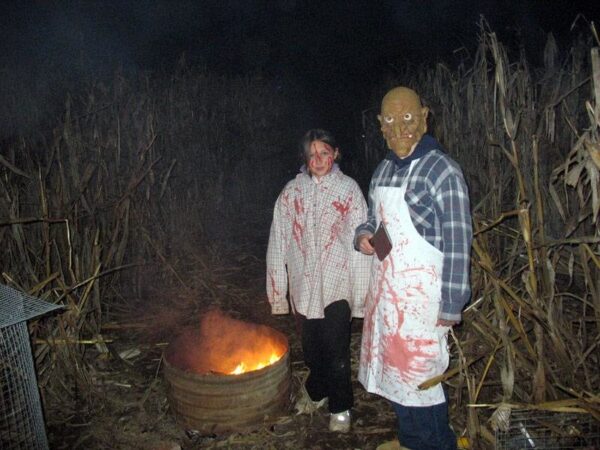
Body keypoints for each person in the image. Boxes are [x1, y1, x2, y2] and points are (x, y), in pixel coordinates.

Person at [355, 87, 473, 450]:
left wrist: (452, 303)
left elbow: (458, 241)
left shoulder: (442, 171)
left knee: (421, 383)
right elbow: (373, 218)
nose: (400, 127)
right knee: (396, 380)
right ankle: (409, 441)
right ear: (380, 125)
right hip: (388, 300)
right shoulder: (383, 170)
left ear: (424, 116)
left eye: (408, 118)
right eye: (390, 120)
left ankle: (436, 444)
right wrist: (362, 235)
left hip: (424, 305)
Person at [266, 128, 371, 433]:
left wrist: (361, 295)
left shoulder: (348, 190)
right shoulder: (291, 193)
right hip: (303, 287)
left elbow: (359, 242)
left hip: (337, 284)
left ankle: (340, 406)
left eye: (324, 152)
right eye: (312, 154)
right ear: (305, 158)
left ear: (335, 154)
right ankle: (317, 390)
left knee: (336, 350)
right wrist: (277, 293)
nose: (319, 159)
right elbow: (278, 242)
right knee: (312, 349)